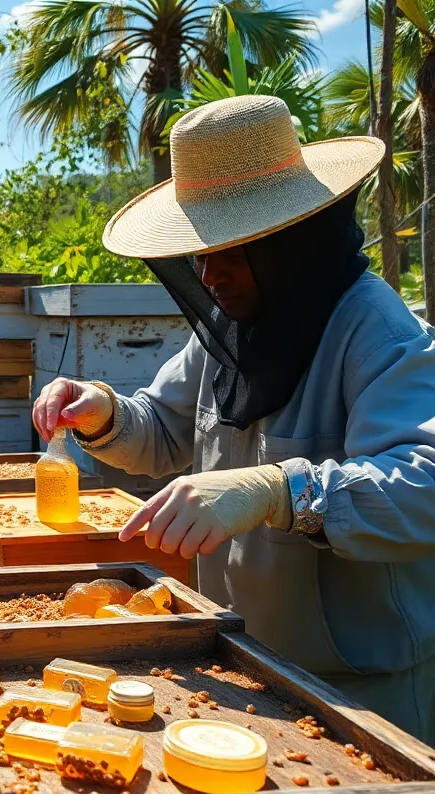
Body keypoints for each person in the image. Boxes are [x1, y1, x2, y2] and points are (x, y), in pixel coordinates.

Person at [33, 95, 435, 743]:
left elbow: (424, 486)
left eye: (230, 249)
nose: (207, 272)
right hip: (247, 668)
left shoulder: (378, 331)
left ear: (290, 239)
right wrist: (103, 413)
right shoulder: (236, 326)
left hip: (366, 696)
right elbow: (165, 430)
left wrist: (277, 490)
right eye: (200, 249)